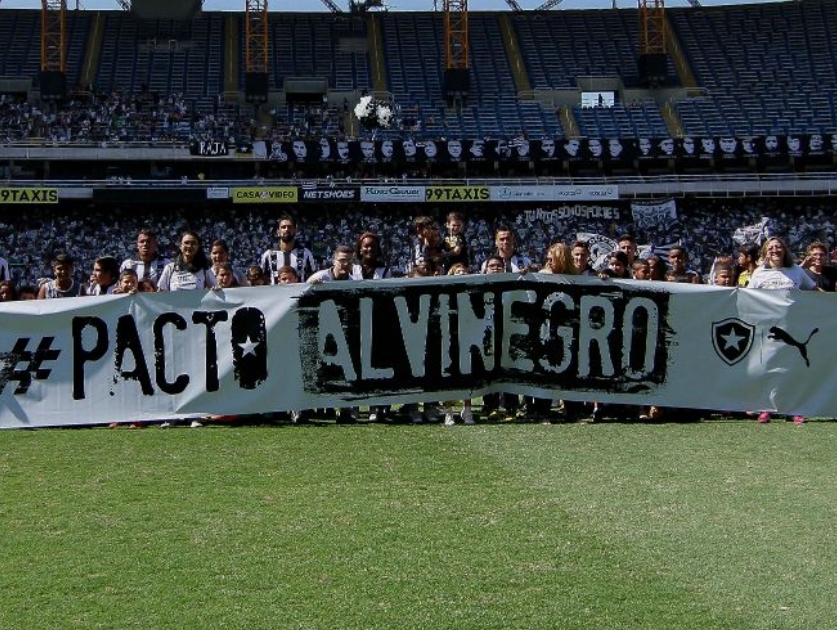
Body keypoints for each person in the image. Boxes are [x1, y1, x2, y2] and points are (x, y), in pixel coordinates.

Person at [748, 236, 816, 424]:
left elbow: (813, 290)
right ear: (765, 252)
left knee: (792, 370)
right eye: (771, 248)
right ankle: (766, 408)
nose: (775, 250)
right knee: (767, 368)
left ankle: (795, 410)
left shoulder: (796, 271)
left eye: (779, 247)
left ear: (785, 250)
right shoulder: (759, 273)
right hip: (766, 329)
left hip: (793, 328)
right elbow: (748, 296)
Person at [307, 245, 358, 423]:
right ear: (334, 260)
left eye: (349, 261)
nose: (345, 264)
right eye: (342, 260)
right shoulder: (320, 278)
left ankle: (344, 409)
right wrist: (312, 288)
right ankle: (314, 407)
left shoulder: (353, 281)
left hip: (342, 332)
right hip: (319, 330)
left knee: (343, 371)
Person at [442, 262, 475, 426]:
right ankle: (448, 411)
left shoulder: (473, 293)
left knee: (467, 374)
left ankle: (467, 410)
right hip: (448, 337)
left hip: (467, 336)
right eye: (458, 271)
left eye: (464, 271)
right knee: (448, 374)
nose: (461, 274)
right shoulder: (445, 294)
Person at [260, 213, 317, 284]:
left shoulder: (306, 253)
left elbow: (313, 276)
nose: (286, 229)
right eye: (283, 227)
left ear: (295, 230)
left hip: (299, 291)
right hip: (276, 291)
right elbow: (262, 279)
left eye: (290, 227)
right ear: (278, 231)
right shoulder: (268, 254)